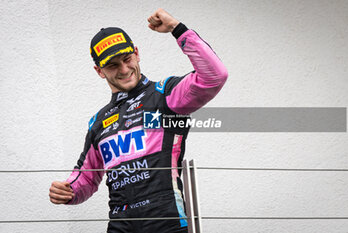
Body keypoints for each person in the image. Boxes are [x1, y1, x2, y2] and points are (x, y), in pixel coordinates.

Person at [49, 8, 228, 233]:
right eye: (113, 65)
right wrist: (67, 191)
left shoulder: (166, 95)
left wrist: (177, 29)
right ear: (99, 70)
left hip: (167, 224)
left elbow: (215, 76)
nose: (124, 69)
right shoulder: (99, 122)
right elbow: (86, 179)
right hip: (119, 227)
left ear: (137, 53)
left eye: (127, 59)